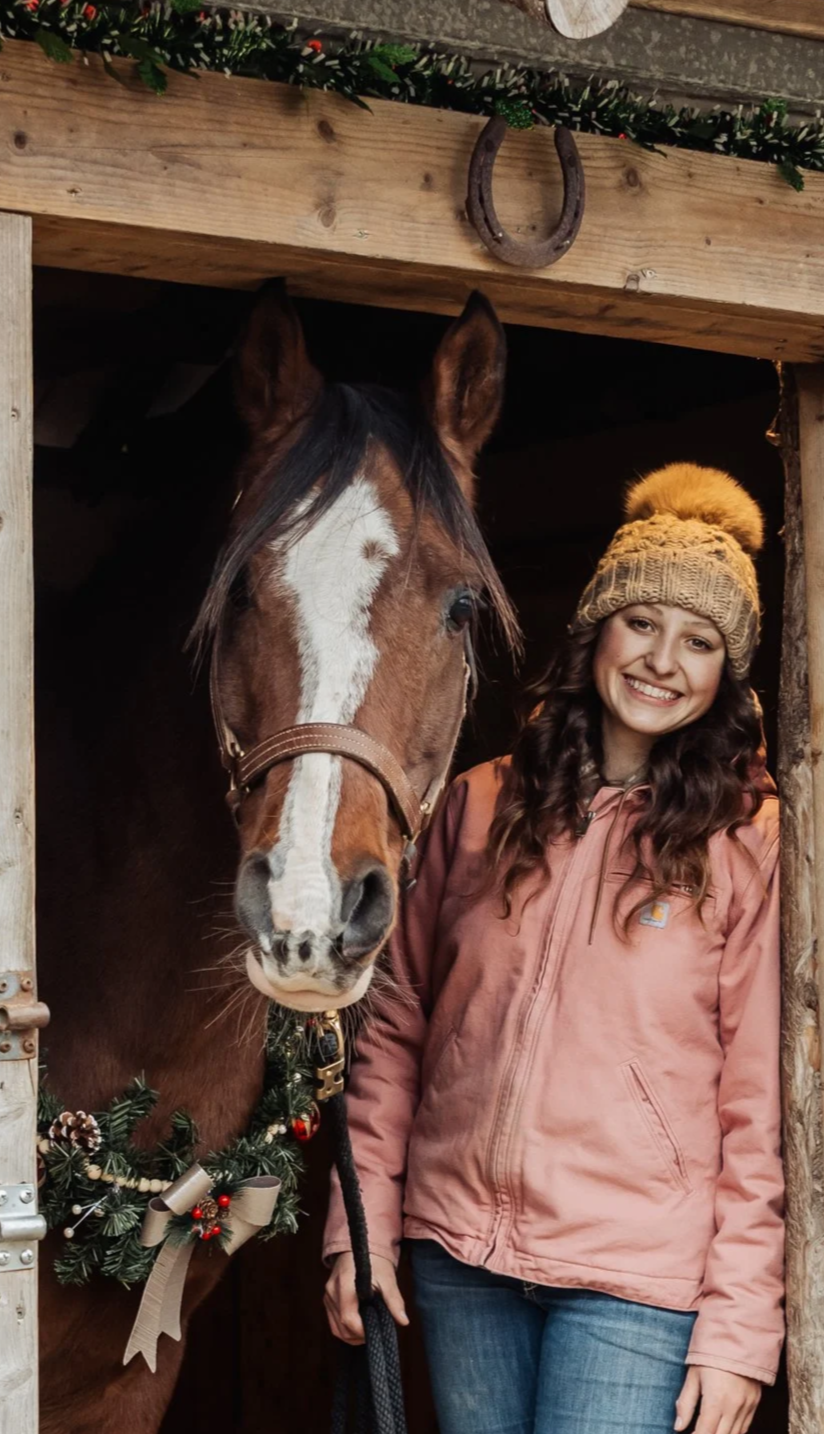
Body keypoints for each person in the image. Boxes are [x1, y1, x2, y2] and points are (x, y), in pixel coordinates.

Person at [323, 464, 783, 1434]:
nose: (663, 660)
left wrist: (740, 1330)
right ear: (596, 630)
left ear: (726, 674)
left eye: (700, 642)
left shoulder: (747, 840)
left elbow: (758, 1105)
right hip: (458, 1257)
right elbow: (395, 1026)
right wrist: (358, 1227)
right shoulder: (482, 802)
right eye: (642, 623)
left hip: (635, 1282)